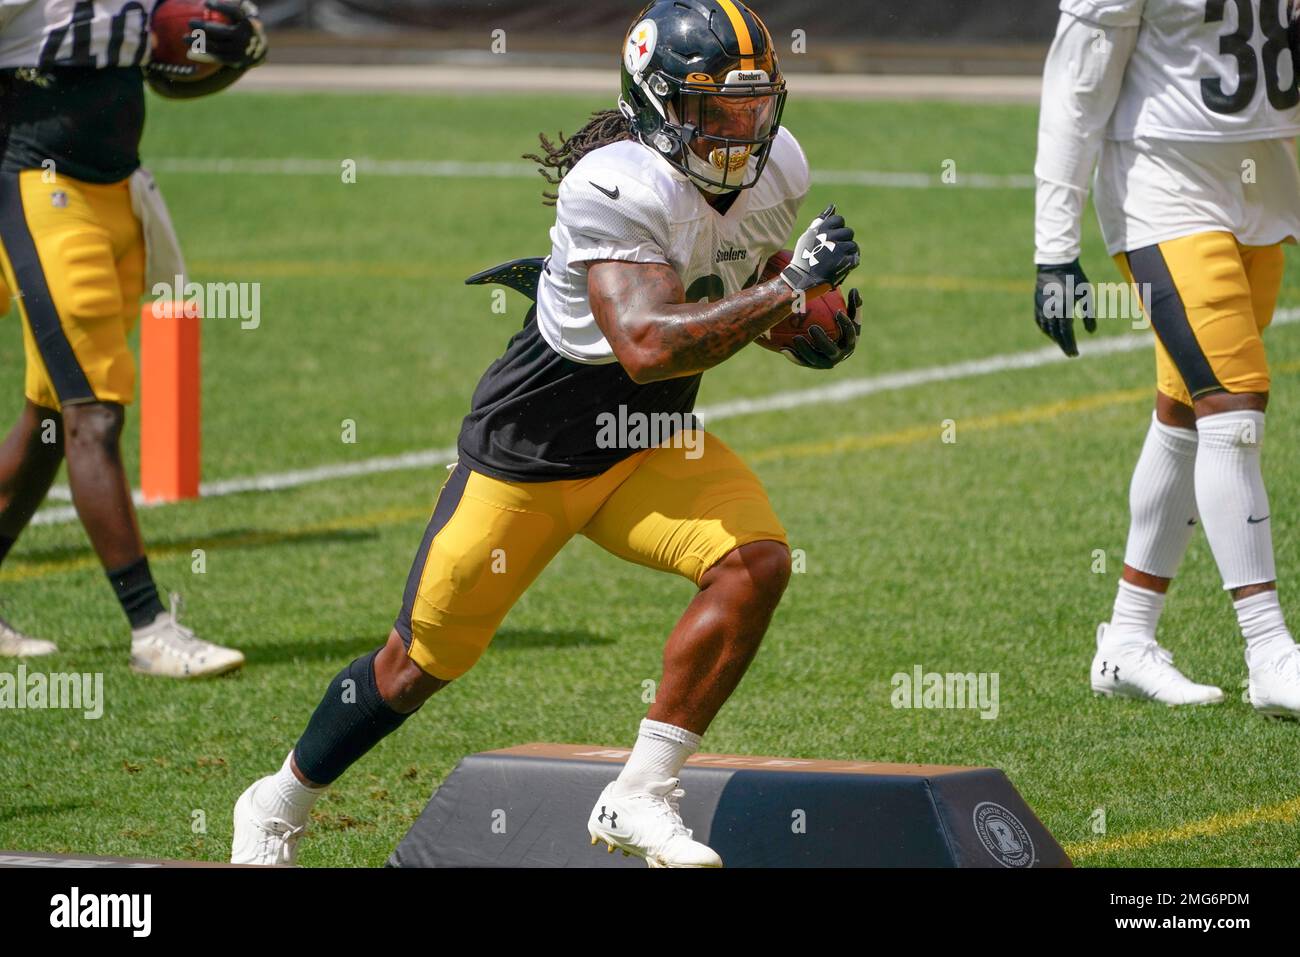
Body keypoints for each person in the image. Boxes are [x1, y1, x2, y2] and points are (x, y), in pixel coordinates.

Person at [231, 0, 862, 867]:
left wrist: (801, 322)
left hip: (648, 444)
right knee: (415, 665)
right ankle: (278, 799)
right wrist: (787, 291)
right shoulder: (617, 182)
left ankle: (641, 792)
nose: (739, 127)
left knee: (757, 562)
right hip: (530, 457)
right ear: (657, 104)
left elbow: (733, 285)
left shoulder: (777, 167)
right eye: (715, 106)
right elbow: (645, 344)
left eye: (752, 105)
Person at [1033, 0, 1300, 716]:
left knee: (1188, 411)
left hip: (1267, 189)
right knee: (1233, 405)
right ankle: (1269, 649)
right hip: (1165, 188)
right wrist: (1054, 247)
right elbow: (1077, 84)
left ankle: (1127, 639)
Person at [0, 0, 266, 674]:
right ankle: (150, 628)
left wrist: (222, 45)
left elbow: (161, 50)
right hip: (36, 184)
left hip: (116, 191)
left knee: (53, 414)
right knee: (94, 411)